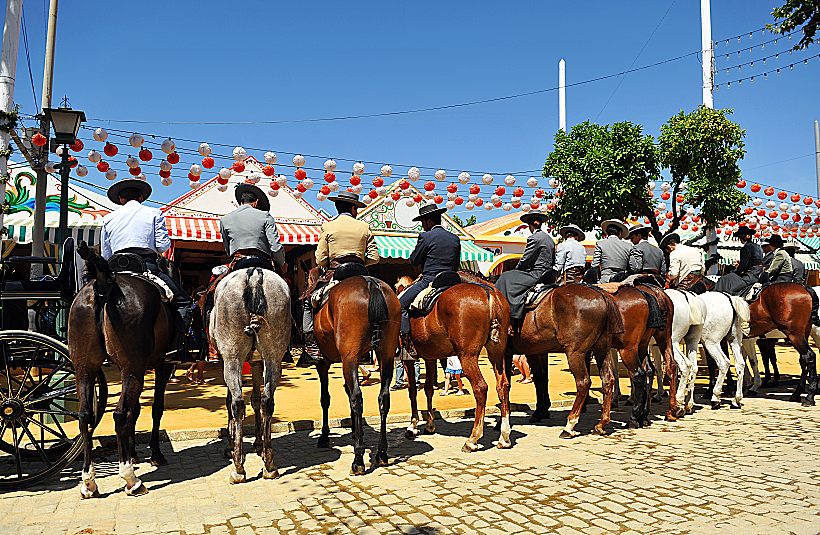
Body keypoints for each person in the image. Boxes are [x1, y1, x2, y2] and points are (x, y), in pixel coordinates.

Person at [101, 178, 196, 359]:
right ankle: (174, 350)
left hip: (116, 270)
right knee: (184, 302)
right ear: (141, 197)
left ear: (121, 199)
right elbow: (162, 247)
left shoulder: (108, 218)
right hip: (146, 267)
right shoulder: (154, 213)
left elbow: (106, 255)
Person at [302, 190, 379, 367]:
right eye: (356, 208)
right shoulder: (364, 227)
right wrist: (360, 262)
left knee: (307, 300)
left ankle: (311, 343)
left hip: (335, 273)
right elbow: (375, 257)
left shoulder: (328, 226)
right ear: (353, 208)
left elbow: (320, 259)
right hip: (360, 272)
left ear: (338, 208)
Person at [399, 203, 462, 354]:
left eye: (422, 223)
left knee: (400, 305)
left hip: (430, 280)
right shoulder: (455, 238)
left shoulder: (426, 237)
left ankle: (407, 346)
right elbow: (455, 265)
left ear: (429, 222)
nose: (423, 226)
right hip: (452, 280)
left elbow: (414, 260)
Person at [495, 209, 555, 327]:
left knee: (506, 277)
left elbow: (525, 259)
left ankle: (507, 316)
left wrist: (516, 270)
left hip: (536, 274)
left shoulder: (534, 238)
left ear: (529, 225)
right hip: (548, 272)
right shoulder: (550, 239)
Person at [714, 226, 764, 295]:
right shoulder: (758, 247)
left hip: (750, 276)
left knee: (724, 279)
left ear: (746, 236)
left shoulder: (746, 248)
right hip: (759, 273)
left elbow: (742, 267)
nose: (740, 238)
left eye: (740, 236)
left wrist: (733, 272)